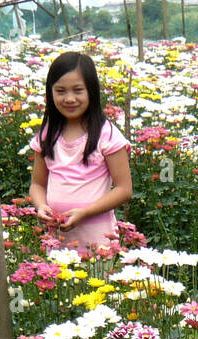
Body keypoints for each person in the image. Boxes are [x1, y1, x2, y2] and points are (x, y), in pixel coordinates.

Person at [29, 52, 132, 253]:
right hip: (57, 240)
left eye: (78, 90)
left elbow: (124, 189)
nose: (69, 99)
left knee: (97, 283)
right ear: (50, 93)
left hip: (97, 242)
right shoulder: (48, 134)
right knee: (60, 283)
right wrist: (41, 206)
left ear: (92, 92)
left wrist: (85, 212)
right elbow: (37, 184)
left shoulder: (106, 134)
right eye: (60, 91)